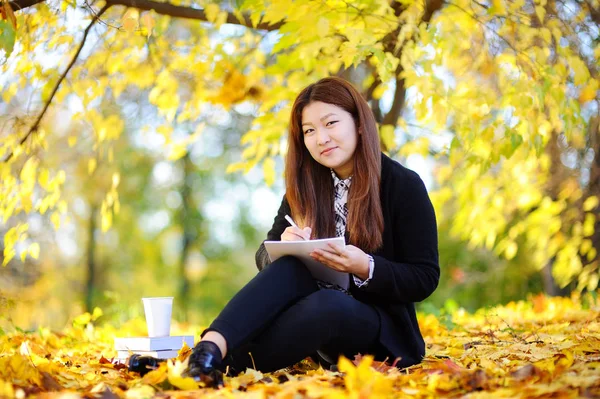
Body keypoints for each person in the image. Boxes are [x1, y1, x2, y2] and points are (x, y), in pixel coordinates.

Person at [183, 76, 440, 387]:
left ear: (359, 123)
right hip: (315, 328)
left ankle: (210, 367)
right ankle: (208, 352)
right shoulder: (305, 189)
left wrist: (365, 267)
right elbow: (264, 256)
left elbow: (424, 277)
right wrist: (281, 246)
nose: (321, 138)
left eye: (331, 123)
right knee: (290, 266)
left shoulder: (402, 185)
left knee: (329, 305)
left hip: (378, 335)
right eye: (309, 131)